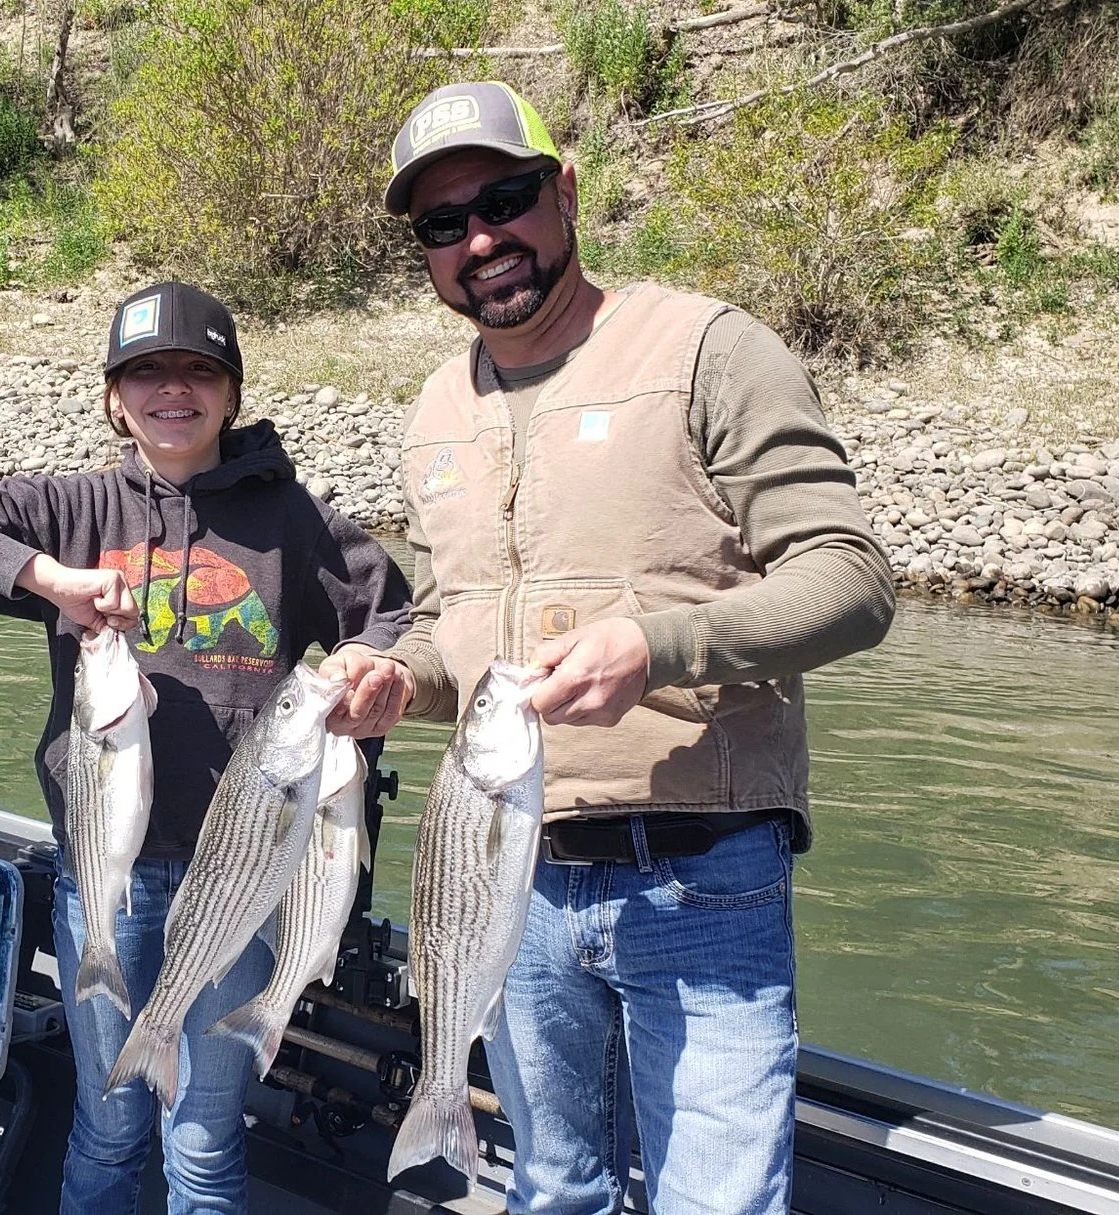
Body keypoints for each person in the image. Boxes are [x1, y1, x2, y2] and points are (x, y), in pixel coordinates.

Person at [378, 82, 897, 1215]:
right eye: (441, 224)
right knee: (552, 1193)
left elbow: (853, 582)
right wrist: (390, 682)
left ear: (564, 192)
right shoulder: (432, 410)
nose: (480, 241)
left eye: (504, 199)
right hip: (503, 882)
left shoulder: (708, 347)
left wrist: (659, 649)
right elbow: (444, 629)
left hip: (701, 875)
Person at [0, 280, 412, 1214]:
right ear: (114, 396)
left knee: (202, 1141)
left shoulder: (292, 523)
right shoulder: (70, 511)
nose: (173, 390)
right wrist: (42, 576)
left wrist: (368, 660)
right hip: (99, 878)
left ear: (232, 393)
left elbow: (395, 611)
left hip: (238, 871)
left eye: (200, 370)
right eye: (145, 372)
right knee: (108, 1126)